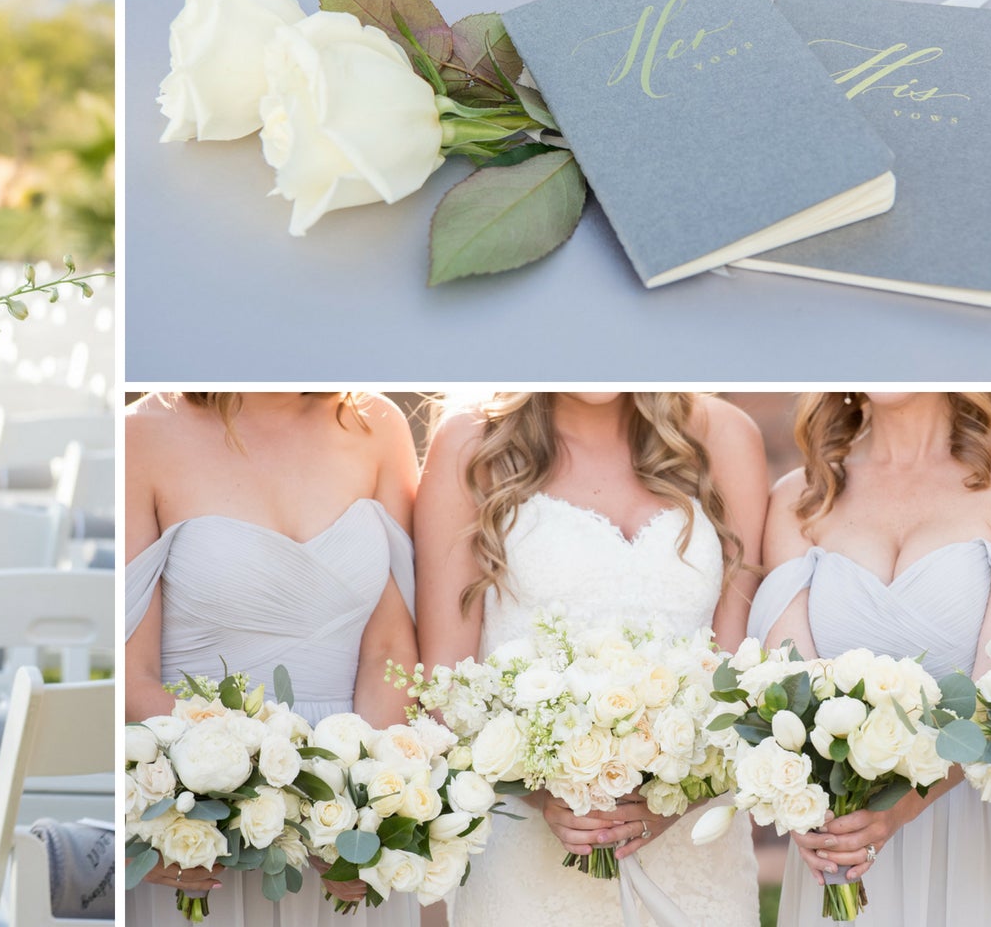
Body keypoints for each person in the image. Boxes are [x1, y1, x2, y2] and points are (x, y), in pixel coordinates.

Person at [416, 392, 766, 926]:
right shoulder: (472, 444)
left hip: (696, 855)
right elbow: (445, 691)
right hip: (527, 857)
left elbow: (739, 674)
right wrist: (543, 793)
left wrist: (678, 797)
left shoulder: (725, 437)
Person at [753, 392, 991, 925]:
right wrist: (806, 805)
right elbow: (786, 697)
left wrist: (899, 808)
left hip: (988, 836)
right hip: (841, 845)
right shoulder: (800, 497)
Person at [125, 391, 420, 926]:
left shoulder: (378, 427)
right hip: (203, 806)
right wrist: (244, 793)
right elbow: (131, 675)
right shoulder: (142, 434)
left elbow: (391, 651)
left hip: (350, 824)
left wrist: (363, 811)